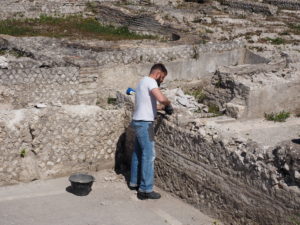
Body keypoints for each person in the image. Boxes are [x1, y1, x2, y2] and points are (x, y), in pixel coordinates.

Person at [129, 63, 173, 200]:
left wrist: (161, 107)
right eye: (163, 77)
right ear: (158, 74)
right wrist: (168, 103)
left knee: (138, 153)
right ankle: (145, 189)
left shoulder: (142, 82)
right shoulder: (151, 81)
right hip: (145, 124)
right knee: (149, 155)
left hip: (137, 122)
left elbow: (151, 104)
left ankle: (134, 182)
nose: (162, 80)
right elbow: (161, 98)